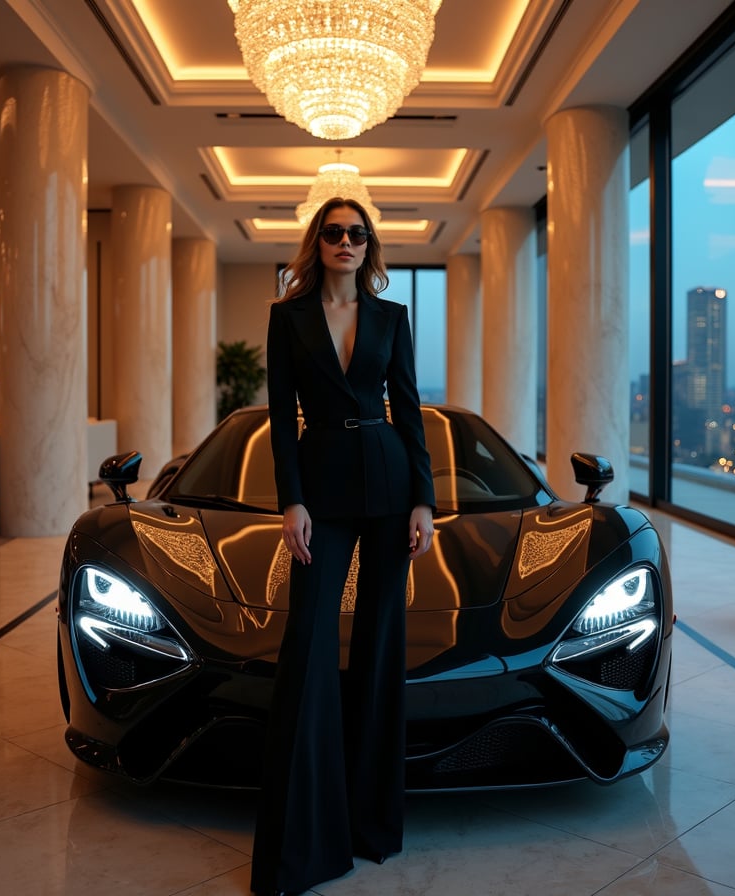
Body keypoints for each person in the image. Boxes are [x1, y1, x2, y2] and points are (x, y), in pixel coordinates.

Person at [250, 197, 436, 896]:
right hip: (319, 489)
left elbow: (409, 408)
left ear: (370, 245)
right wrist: (290, 500)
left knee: (381, 649)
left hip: (390, 484)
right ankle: (307, 840)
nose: (346, 242)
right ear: (317, 242)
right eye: (334, 232)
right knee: (309, 650)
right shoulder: (286, 317)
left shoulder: (392, 319)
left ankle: (371, 824)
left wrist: (424, 499)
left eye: (358, 234)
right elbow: (278, 415)